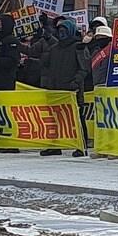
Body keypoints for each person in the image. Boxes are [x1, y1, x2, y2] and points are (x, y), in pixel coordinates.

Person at [40, 19, 86, 157]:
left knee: (77, 118)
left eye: (64, 31)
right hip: (56, 89)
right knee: (55, 119)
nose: (62, 34)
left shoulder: (78, 47)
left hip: (72, 89)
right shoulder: (54, 48)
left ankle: (81, 146)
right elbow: (45, 63)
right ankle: (55, 145)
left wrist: (76, 82)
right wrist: (47, 39)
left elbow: (84, 68)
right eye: (59, 31)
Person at [85, 24, 113, 91]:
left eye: (102, 37)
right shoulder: (95, 52)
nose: (100, 39)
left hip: (109, 86)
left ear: (109, 38)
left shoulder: (113, 51)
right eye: (98, 37)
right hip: (97, 87)